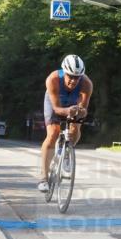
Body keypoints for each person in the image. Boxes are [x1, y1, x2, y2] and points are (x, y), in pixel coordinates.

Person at [39, 55, 93, 192]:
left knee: (75, 128)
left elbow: (84, 109)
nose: (74, 80)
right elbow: (56, 109)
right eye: (71, 76)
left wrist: (80, 112)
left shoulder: (86, 83)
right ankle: (43, 177)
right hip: (54, 102)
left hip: (73, 103)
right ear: (64, 72)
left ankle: (67, 152)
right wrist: (67, 110)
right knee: (53, 133)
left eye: (77, 77)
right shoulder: (53, 79)